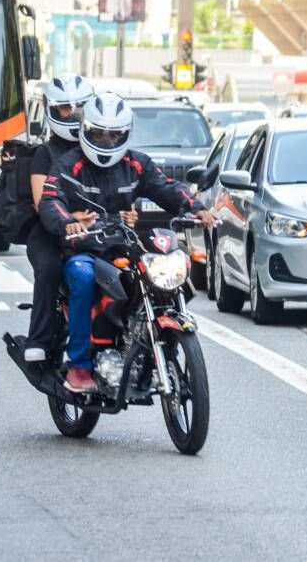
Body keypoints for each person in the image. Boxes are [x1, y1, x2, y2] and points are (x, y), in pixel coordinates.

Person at [39, 92, 216, 393]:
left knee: (158, 276)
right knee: (82, 278)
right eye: (99, 133)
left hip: (123, 246)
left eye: (114, 135)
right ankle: (80, 366)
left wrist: (196, 207)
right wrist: (67, 222)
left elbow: (166, 188)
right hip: (84, 249)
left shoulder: (137, 164)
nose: (106, 141)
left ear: (126, 134)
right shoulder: (69, 165)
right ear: (85, 130)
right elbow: (50, 200)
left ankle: (145, 342)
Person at [23, 73, 97, 363]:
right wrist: (72, 216)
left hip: (91, 228)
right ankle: (38, 338)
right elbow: (43, 203)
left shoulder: (99, 149)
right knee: (51, 268)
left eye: (79, 106)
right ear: (52, 109)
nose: (73, 113)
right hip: (50, 232)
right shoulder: (45, 153)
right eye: (65, 108)